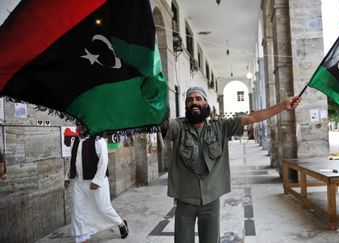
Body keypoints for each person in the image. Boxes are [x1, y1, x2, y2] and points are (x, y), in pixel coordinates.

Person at [162, 86, 301, 243]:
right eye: (190, 100)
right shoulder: (178, 127)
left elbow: (251, 118)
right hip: (184, 200)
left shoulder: (220, 126)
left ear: (206, 104)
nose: (194, 102)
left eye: (198, 99)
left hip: (211, 200)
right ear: (186, 105)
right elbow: (162, 123)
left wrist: (283, 105)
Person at [64, 123, 129, 243]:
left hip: (96, 182)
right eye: (77, 125)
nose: (79, 127)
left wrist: (97, 181)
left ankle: (121, 224)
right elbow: (72, 160)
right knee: (78, 210)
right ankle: (82, 239)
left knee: (103, 208)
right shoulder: (75, 141)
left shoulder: (99, 141)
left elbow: (103, 162)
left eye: (82, 125)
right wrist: (67, 176)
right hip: (79, 182)